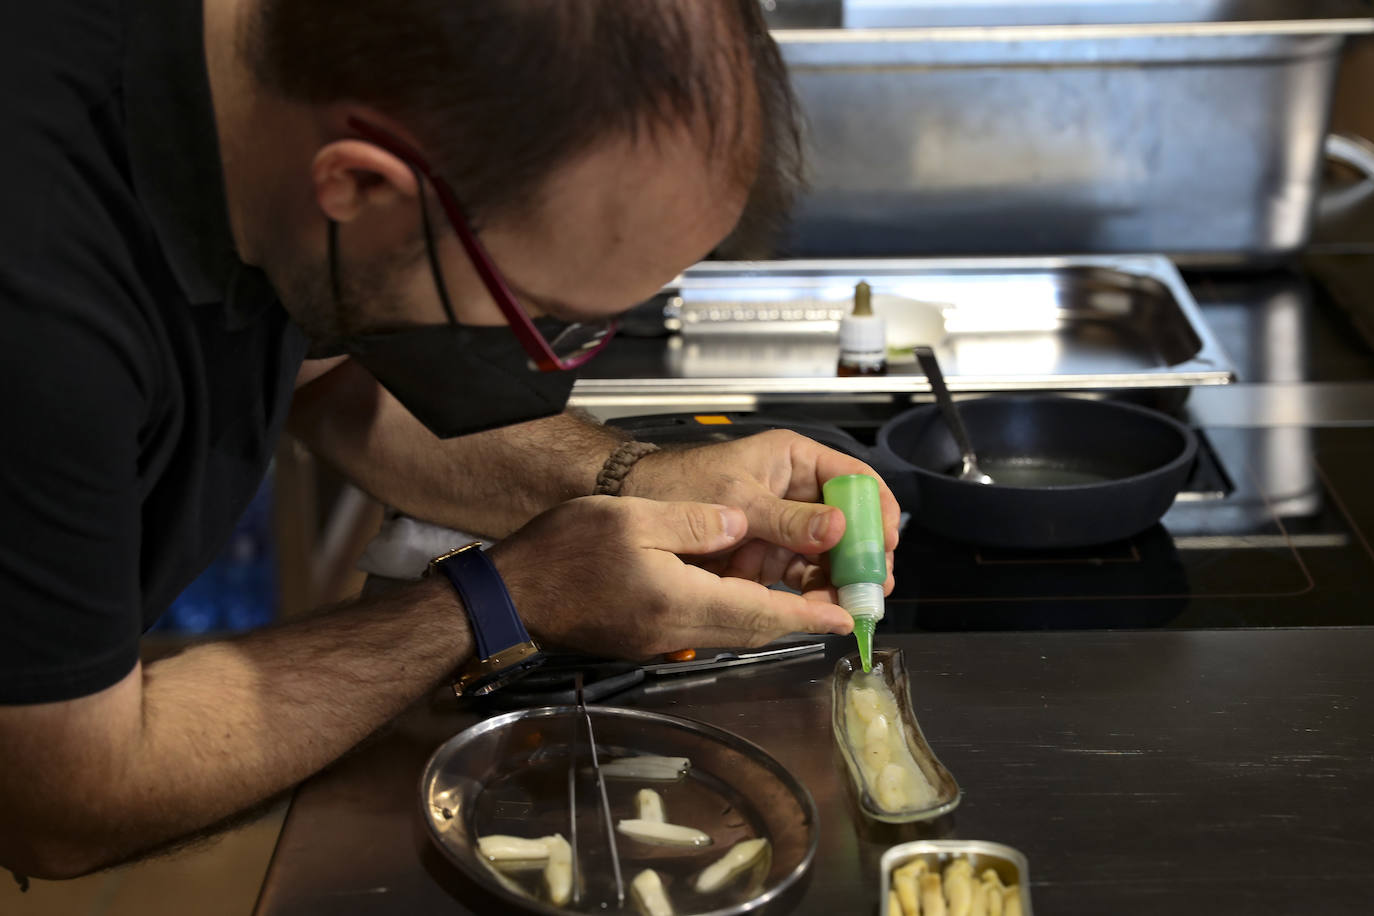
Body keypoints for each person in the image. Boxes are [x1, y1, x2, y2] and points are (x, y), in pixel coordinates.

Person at [0, 0, 899, 881]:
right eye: (551, 320)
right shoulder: (42, 311)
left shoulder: (282, 87)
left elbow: (339, 370)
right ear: (358, 185)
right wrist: (505, 597)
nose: (560, 360)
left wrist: (643, 481)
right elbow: (69, 795)